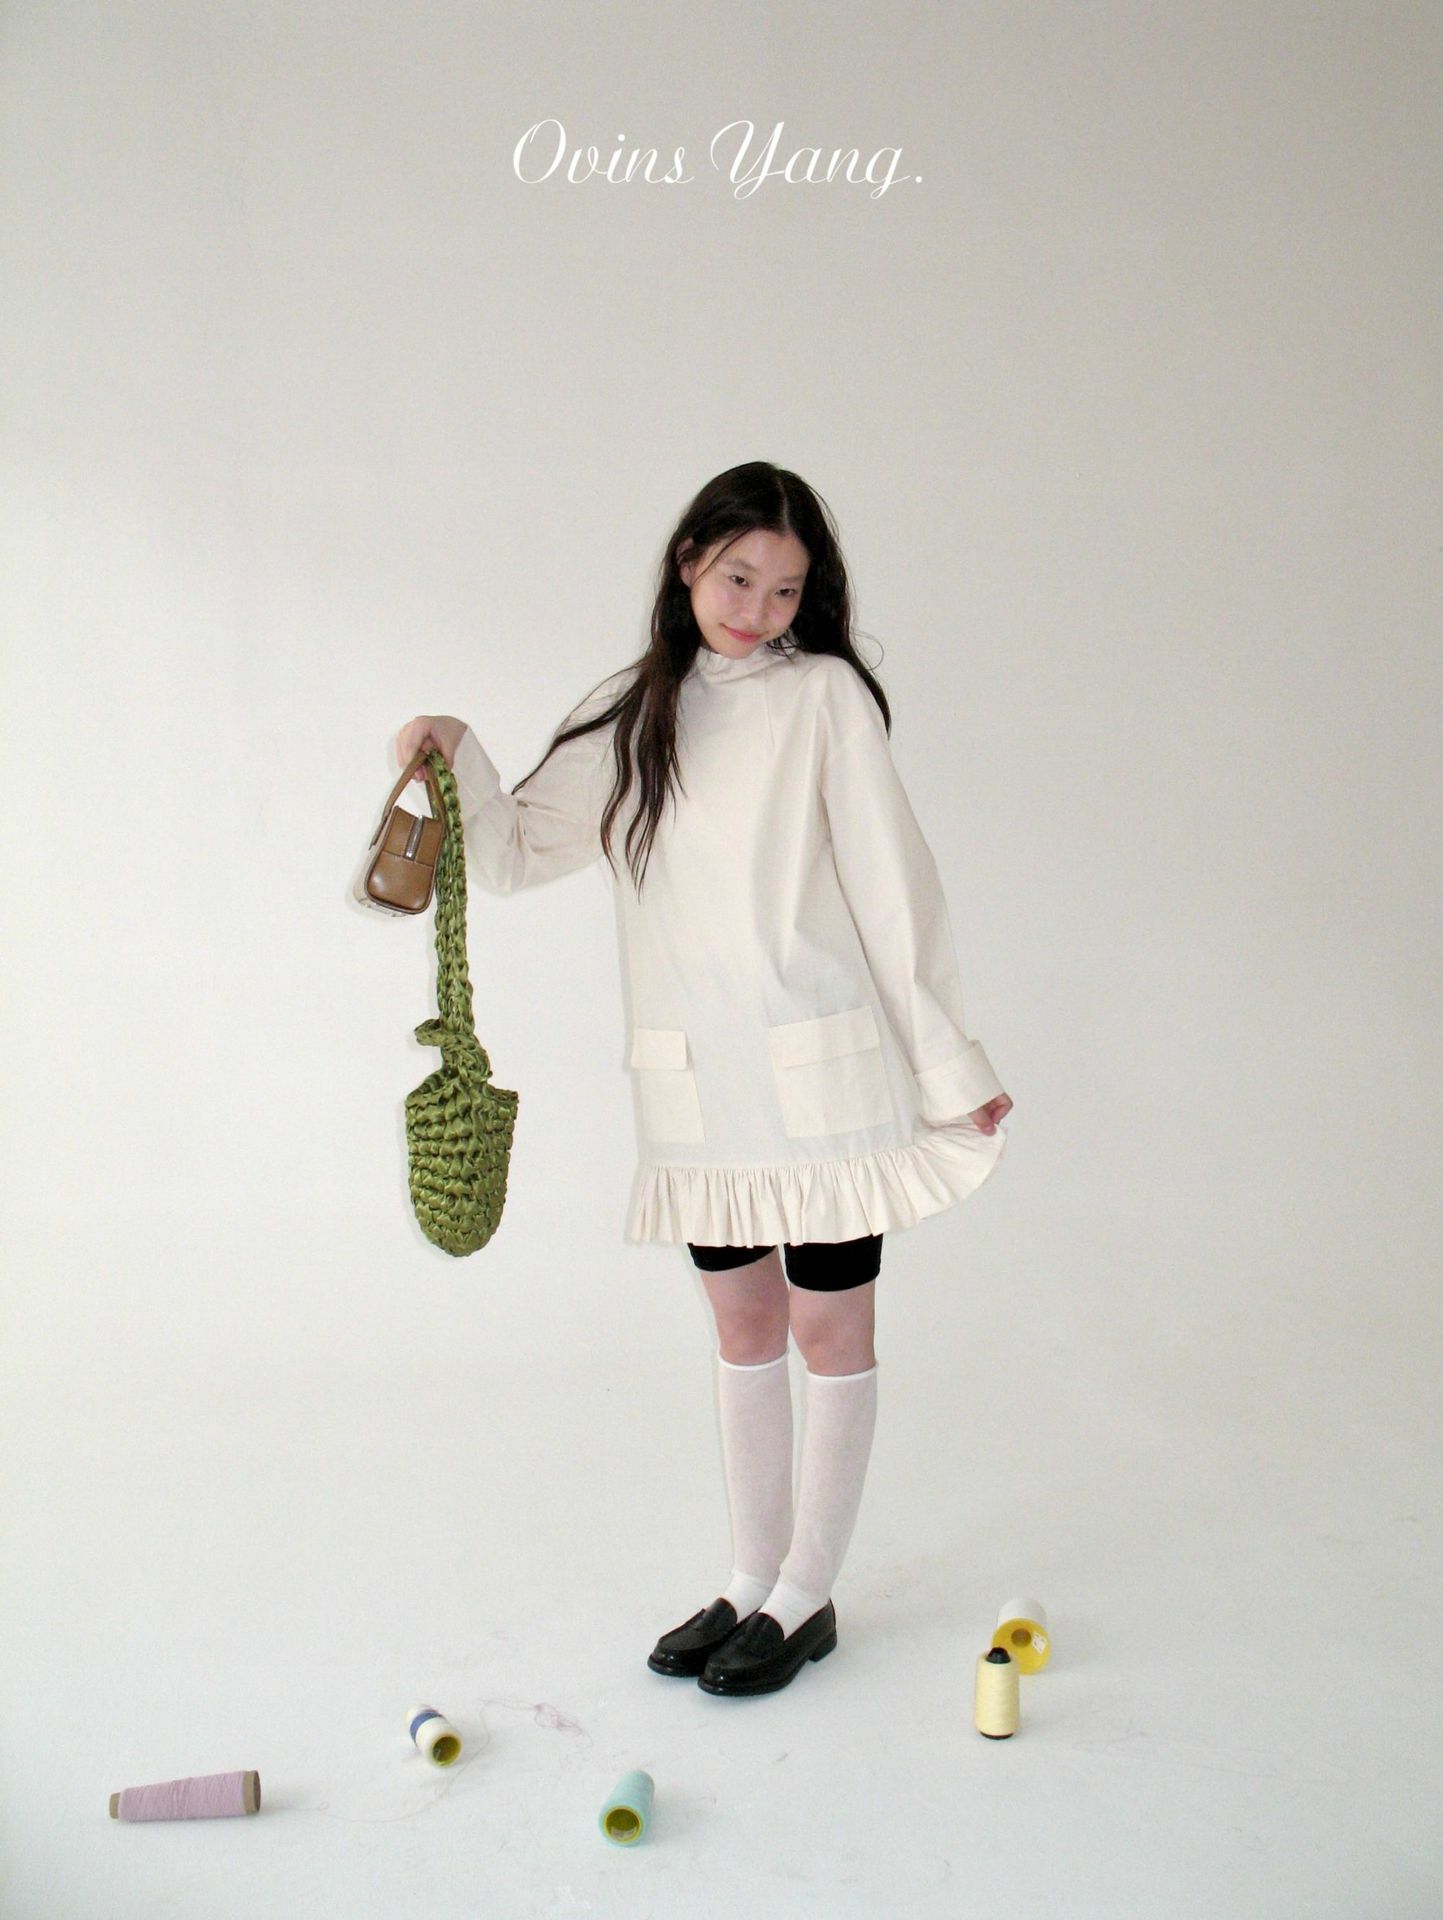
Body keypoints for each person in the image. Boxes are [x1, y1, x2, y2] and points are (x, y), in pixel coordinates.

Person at [395, 460, 1013, 1698]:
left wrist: (950, 1059)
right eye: (738, 578)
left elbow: (896, 887)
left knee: (830, 1328)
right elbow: (516, 854)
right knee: (743, 1326)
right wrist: (455, 748)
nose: (757, 609)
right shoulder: (634, 712)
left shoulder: (824, 698)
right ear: (688, 563)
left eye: (784, 590)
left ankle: (806, 1593)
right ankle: (748, 1578)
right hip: (697, 1085)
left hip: (823, 1074)